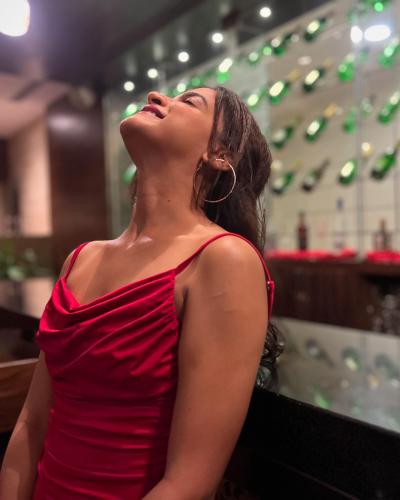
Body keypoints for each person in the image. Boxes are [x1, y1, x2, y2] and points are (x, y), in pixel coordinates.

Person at [0, 86, 281, 499]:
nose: (156, 95)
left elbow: (188, 482)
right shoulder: (80, 259)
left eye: (189, 101)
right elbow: (32, 424)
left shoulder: (224, 259)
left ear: (219, 154)